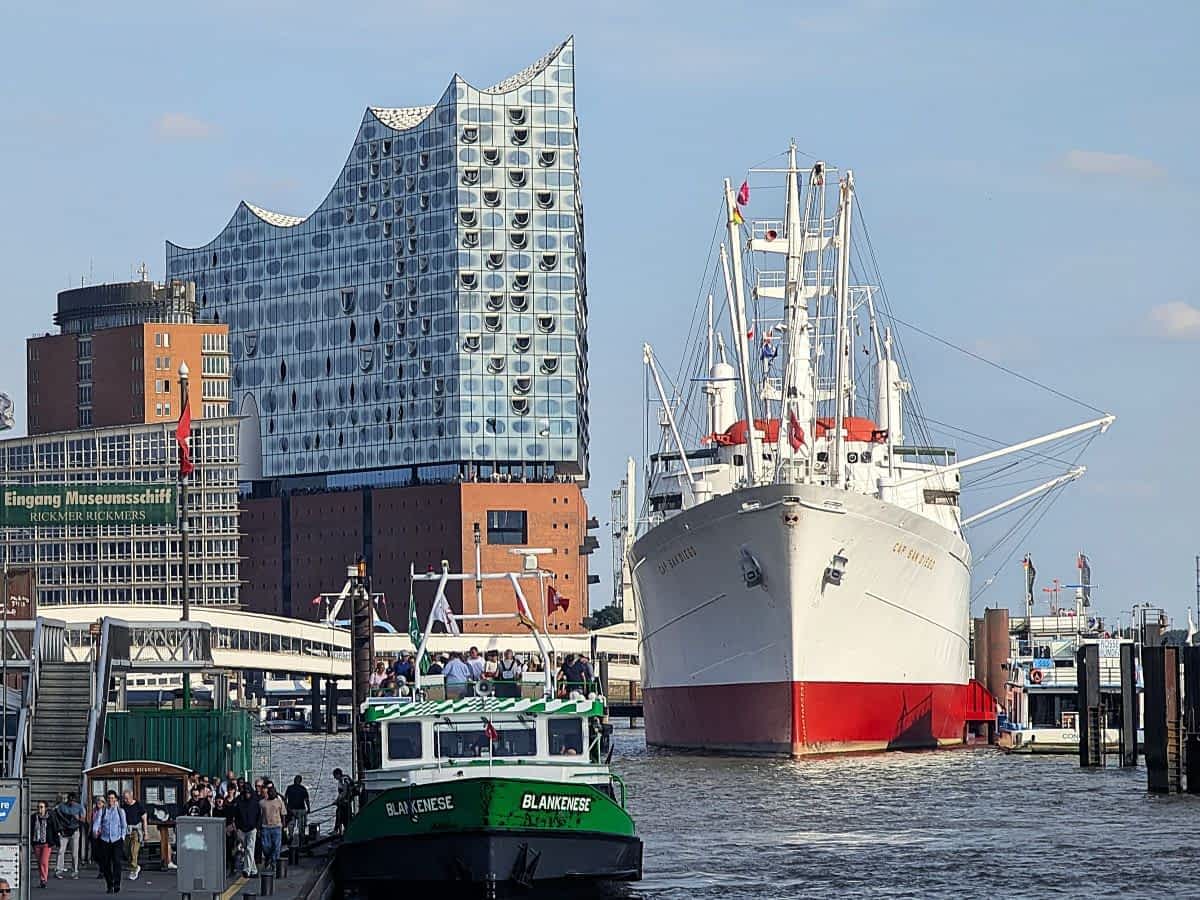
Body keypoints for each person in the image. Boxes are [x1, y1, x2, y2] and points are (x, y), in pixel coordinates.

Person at [92, 790, 126, 894]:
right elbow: (97, 823)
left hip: (116, 839)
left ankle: (117, 883)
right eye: (109, 799)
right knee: (105, 864)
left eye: (112, 798)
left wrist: (122, 837)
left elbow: (124, 825)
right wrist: (95, 831)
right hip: (105, 840)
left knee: (117, 862)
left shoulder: (120, 811)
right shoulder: (102, 811)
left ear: (115, 799)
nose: (111, 800)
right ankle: (109, 884)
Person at [52, 791, 85, 879]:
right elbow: (55, 816)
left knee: (75, 853)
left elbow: (84, 819)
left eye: (73, 801)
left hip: (74, 831)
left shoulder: (79, 807)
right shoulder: (62, 806)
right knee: (61, 851)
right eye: (70, 800)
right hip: (64, 831)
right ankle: (59, 870)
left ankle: (75, 871)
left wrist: (78, 818)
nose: (71, 802)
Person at [232, 784, 262, 877]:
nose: (247, 794)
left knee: (250, 849)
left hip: (252, 829)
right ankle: (254, 870)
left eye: (249, 792)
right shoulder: (239, 802)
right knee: (247, 850)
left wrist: (257, 827)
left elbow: (259, 816)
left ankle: (247, 870)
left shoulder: (255, 802)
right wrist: (237, 828)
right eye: (246, 792)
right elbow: (235, 815)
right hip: (242, 829)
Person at [121, 789, 147, 882]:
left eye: (127, 798)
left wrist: (145, 832)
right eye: (124, 798)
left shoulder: (138, 805)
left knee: (133, 851)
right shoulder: (123, 807)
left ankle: (133, 869)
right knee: (126, 851)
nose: (125, 800)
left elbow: (144, 818)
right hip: (127, 830)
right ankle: (135, 865)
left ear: (131, 797)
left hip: (136, 830)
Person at [258, 785, 286, 871]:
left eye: (273, 792)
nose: (272, 793)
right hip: (265, 827)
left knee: (276, 846)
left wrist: (284, 825)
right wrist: (259, 828)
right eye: (270, 792)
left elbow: (283, 814)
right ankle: (268, 857)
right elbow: (260, 816)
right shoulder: (262, 803)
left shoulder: (279, 802)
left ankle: (274, 862)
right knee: (265, 846)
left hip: (277, 827)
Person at [31, 799, 54, 888]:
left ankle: (44, 879)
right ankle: (42, 879)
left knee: (43, 861)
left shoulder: (50, 817)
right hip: (37, 842)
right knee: (39, 862)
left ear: (45, 808)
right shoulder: (33, 817)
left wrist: (55, 840)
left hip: (46, 843)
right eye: (38, 807)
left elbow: (54, 828)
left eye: (41, 807)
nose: (39, 809)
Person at [284, 775, 310, 846]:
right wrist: (309, 808)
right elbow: (306, 800)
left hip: (291, 810)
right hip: (301, 809)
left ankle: (290, 838)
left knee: (291, 826)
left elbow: (285, 798)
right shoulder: (303, 788)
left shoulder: (289, 788)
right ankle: (301, 841)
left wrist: (286, 807)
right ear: (300, 781)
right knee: (301, 827)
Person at [332, 768, 354, 835]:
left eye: (335, 776)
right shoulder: (346, 778)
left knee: (340, 814)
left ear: (338, 774)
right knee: (344, 817)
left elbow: (344, 792)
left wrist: (337, 800)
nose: (334, 778)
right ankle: (343, 830)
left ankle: (337, 831)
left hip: (345, 802)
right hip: (346, 802)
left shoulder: (343, 780)